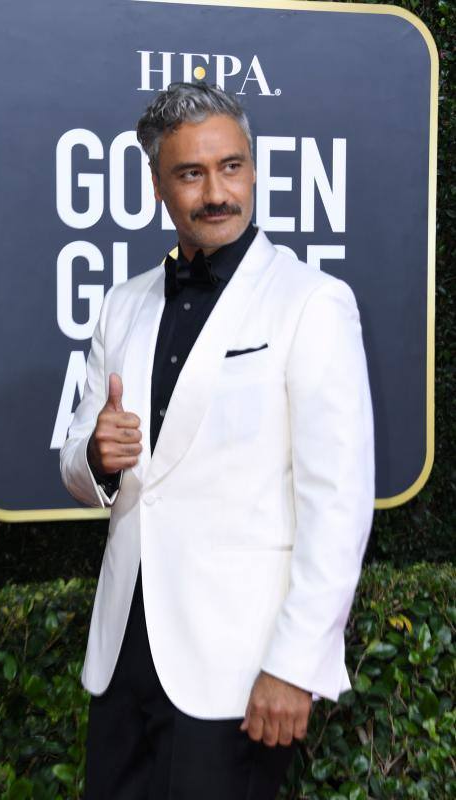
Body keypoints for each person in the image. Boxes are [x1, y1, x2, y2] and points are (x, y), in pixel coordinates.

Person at [60, 82, 375, 800]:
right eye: (190, 173)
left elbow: (337, 501)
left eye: (230, 167)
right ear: (156, 185)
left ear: (254, 170)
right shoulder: (123, 302)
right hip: (122, 657)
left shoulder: (310, 303)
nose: (215, 193)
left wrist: (296, 664)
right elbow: (79, 455)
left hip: (237, 667)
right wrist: (92, 457)